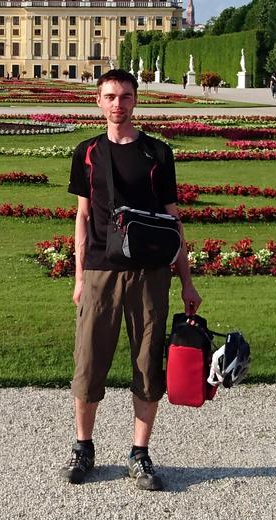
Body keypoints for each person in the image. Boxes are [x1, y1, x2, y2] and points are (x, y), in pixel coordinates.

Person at [65, 68, 201, 492]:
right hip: (102, 272)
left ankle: (139, 454)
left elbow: (173, 221)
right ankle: (83, 447)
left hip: (149, 273)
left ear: (136, 100)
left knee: (146, 365)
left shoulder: (158, 154)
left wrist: (187, 281)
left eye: (125, 96)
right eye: (110, 96)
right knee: (88, 365)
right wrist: (78, 276)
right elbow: (83, 217)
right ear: (98, 102)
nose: (117, 104)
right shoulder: (87, 152)